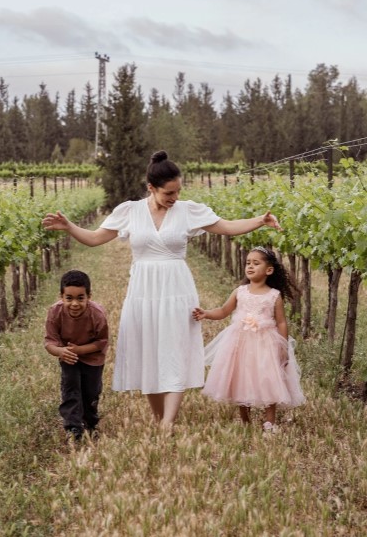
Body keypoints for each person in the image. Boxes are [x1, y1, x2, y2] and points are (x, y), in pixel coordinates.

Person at [41, 151, 280, 430]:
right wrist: (69, 227)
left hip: (177, 287)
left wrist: (259, 221)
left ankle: (168, 421)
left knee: (175, 348)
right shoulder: (130, 211)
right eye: (169, 193)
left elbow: (225, 226)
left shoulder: (188, 210)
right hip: (143, 290)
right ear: (151, 188)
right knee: (148, 351)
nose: (174, 197)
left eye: (178, 191)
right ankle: (159, 419)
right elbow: (95, 238)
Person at [192, 246, 305, 433]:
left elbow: (281, 322)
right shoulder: (240, 291)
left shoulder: (274, 296)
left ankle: (269, 422)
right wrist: (206, 313)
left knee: (268, 378)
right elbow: (223, 311)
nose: (250, 266)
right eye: (248, 263)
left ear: (269, 270)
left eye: (256, 263)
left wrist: (283, 346)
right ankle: (245, 419)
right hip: (240, 342)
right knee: (241, 376)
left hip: (266, 343)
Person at [44, 269, 109, 441]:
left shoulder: (97, 314)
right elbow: (49, 343)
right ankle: (73, 428)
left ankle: (90, 423)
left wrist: (79, 350)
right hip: (68, 356)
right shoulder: (55, 312)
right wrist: (61, 351)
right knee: (70, 388)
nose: (74, 303)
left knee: (91, 392)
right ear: (61, 296)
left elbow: (102, 342)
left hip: (93, 358)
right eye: (69, 298)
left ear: (89, 296)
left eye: (80, 298)